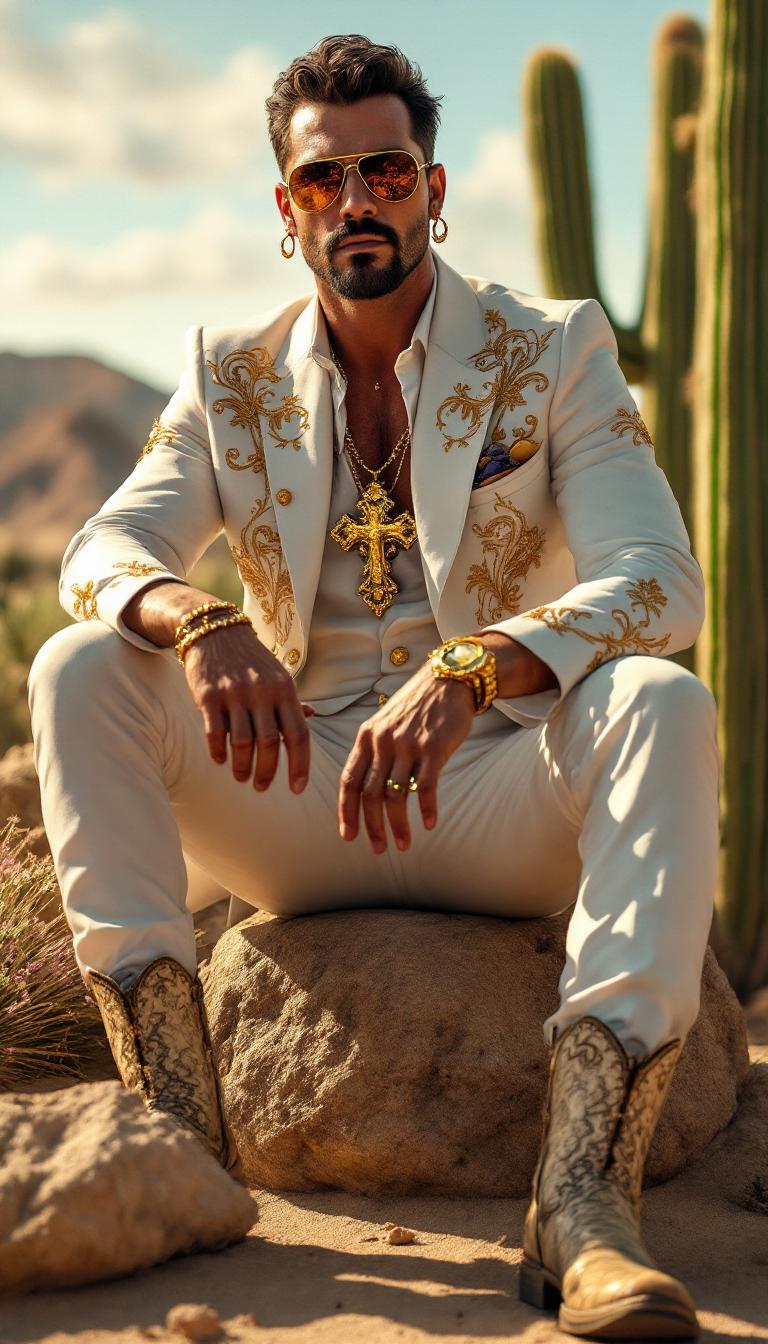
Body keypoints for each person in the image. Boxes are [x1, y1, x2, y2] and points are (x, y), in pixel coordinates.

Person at [28, 34, 719, 1340]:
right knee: (80, 664)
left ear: (434, 188)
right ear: (286, 211)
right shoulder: (230, 373)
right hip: (296, 806)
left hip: (499, 795)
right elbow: (103, 551)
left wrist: (481, 664)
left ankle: (581, 1205)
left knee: (662, 702)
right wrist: (198, 617)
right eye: (322, 180)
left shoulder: (553, 348)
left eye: (385, 171)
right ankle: (180, 1145)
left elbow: (660, 583)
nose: (357, 201)